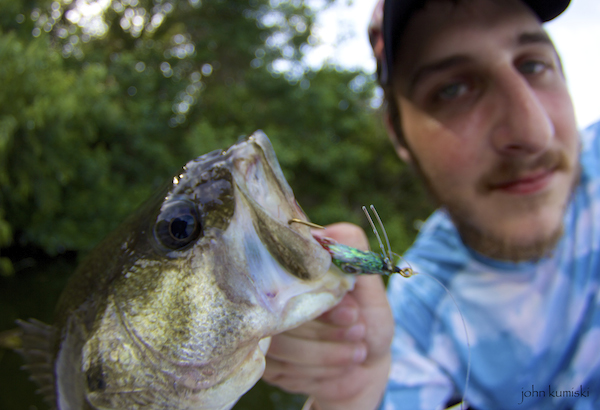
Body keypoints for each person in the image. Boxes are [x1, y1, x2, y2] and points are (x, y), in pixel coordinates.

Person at [262, 0, 600, 409]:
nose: (534, 132)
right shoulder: (419, 322)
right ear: (398, 134)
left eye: (532, 65)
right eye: (451, 89)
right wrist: (352, 397)